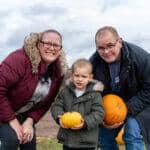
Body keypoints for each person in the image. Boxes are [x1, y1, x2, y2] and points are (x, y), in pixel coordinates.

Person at [0, 29, 67, 150]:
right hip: (3, 109)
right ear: (38, 44)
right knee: (12, 140)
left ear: (60, 49)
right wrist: (12, 120)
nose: (51, 48)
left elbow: (46, 103)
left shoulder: (58, 72)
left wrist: (30, 121)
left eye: (56, 45)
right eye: (47, 43)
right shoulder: (19, 59)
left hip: (22, 115)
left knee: (29, 143)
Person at [90, 26, 150, 150]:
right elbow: (90, 94)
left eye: (110, 45)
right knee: (104, 136)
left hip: (139, 104)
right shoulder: (93, 64)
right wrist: (100, 115)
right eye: (101, 48)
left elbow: (149, 90)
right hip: (110, 107)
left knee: (132, 132)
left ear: (120, 42)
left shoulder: (141, 58)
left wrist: (125, 110)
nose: (106, 51)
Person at [51, 58, 104, 150]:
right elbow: (56, 106)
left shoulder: (95, 94)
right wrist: (59, 117)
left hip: (87, 142)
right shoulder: (65, 92)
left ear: (90, 78)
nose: (79, 79)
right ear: (72, 76)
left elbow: (99, 113)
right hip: (68, 139)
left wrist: (85, 122)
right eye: (77, 75)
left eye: (84, 76)